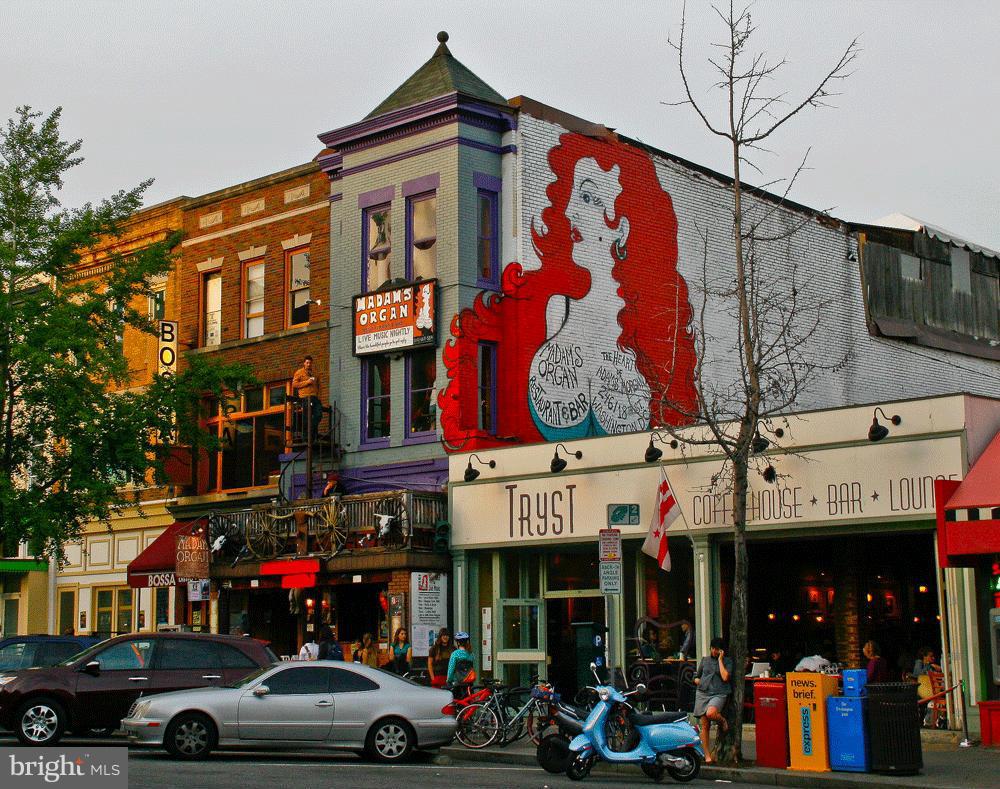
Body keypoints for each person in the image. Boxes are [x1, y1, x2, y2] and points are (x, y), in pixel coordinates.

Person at [440, 131, 698, 448]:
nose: (571, 210)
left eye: (588, 198)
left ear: (621, 227)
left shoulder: (652, 340)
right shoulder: (550, 309)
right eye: (574, 196)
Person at [693, 637, 733, 765]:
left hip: (719, 693)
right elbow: (696, 675)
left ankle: (722, 720)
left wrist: (720, 660)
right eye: (713, 649)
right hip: (703, 692)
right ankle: (707, 755)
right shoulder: (705, 660)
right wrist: (696, 680)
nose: (715, 651)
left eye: (718, 650)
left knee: (711, 713)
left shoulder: (727, 661)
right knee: (705, 724)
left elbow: (725, 677)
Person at [291, 354, 323, 442]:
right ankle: (307, 436)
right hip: (305, 397)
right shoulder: (299, 372)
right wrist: (307, 382)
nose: (309, 364)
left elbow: (320, 386)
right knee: (306, 417)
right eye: (307, 363)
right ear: (304, 363)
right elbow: (294, 384)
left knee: (318, 415)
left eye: (310, 363)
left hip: (314, 397)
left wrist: (319, 397)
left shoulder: (315, 373)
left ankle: (312, 430)